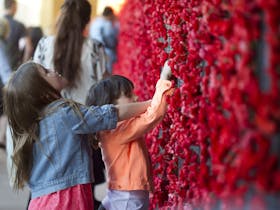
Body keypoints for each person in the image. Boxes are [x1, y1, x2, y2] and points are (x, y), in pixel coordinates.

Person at [3, 61, 151, 210]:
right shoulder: (63, 113)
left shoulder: (34, 124)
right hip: (65, 201)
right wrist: (151, 104)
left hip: (40, 203)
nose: (53, 70)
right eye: (46, 72)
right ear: (42, 92)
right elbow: (110, 114)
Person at [85, 60, 173, 210]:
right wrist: (164, 79)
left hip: (121, 194)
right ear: (111, 106)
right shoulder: (116, 129)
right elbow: (151, 116)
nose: (136, 98)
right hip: (128, 198)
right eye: (128, 95)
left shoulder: (109, 130)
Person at [33, 0, 108, 104]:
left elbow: (35, 81)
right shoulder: (95, 47)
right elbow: (104, 85)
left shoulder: (44, 44)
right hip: (87, 114)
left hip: (50, 113)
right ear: (88, 21)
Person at [89, 6, 119, 74]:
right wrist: (103, 52)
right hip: (104, 51)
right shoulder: (99, 23)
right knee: (104, 73)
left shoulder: (106, 22)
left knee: (108, 72)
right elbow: (97, 39)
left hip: (108, 51)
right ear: (109, 15)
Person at [0, 17, 12, 150]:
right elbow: (4, 68)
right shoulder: (1, 44)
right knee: (4, 110)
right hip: (1, 83)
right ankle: (1, 138)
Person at [4, 0, 27, 70]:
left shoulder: (1, 23)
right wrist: (24, 66)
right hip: (14, 64)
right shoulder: (19, 25)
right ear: (13, 6)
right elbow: (28, 46)